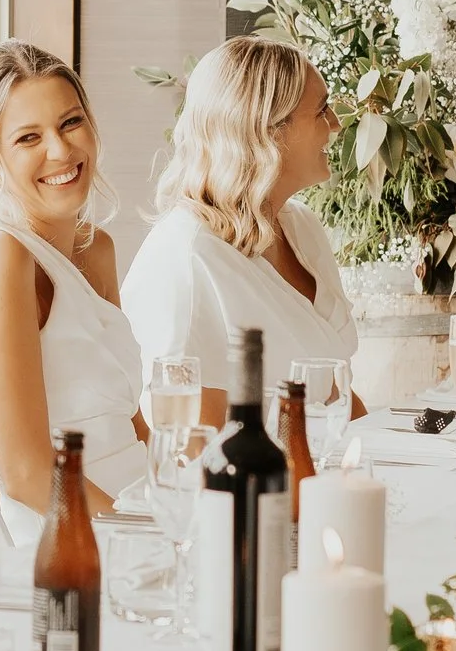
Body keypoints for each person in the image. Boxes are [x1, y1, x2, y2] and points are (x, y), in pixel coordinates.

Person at [0, 40, 145, 539]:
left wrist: (185, 503)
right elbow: (28, 476)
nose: (61, 151)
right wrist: (150, 539)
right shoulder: (0, 258)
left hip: (141, 510)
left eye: (70, 123)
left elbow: (131, 422)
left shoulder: (96, 249)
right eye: (28, 138)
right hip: (72, 538)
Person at [121, 34, 359, 424]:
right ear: (267, 132)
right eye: (321, 110)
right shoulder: (186, 258)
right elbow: (191, 444)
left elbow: (336, 398)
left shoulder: (300, 226)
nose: (335, 124)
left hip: (322, 474)